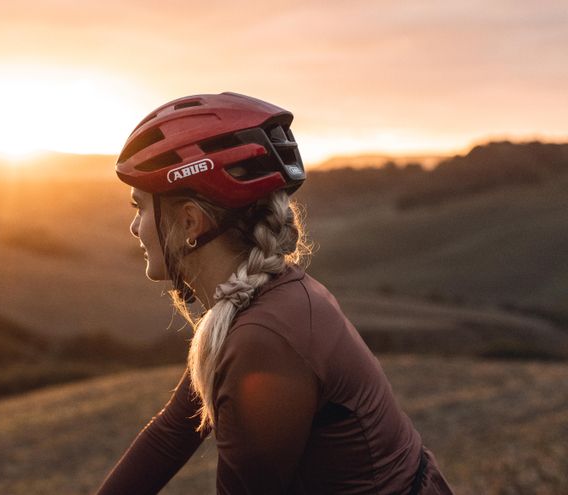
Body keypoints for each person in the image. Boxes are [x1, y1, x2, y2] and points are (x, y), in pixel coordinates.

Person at [96, 93, 453, 494]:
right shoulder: (260, 299)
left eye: (140, 208)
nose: (135, 227)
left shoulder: (262, 339)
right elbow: (170, 435)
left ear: (190, 222)